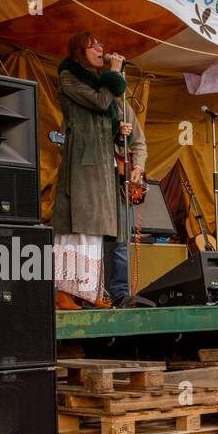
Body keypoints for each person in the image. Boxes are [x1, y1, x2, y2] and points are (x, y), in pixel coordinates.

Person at [51, 33, 146, 307]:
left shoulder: (100, 85)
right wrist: (114, 74)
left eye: (101, 44)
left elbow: (104, 120)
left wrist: (118, 131)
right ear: (80, 50)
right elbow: (100, 102)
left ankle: (90, 292)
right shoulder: (69, 77)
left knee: (95, 233)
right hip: (83, 162)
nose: (101, 49)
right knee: (77, 227)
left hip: (103, 165)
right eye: (94, 45)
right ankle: (63, 291)